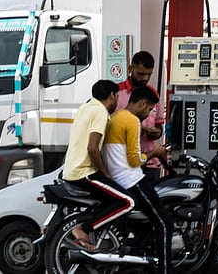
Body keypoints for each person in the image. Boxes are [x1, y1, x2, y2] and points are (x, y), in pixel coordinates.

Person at [105, 84, 172, 274]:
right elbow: (135, 160)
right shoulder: (132, 120)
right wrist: (154, 152)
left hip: (118, 178)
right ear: (142, 103)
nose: (149, 114)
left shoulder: (117, 117)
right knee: (165, 222)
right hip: (132, 179)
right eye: (149, 109)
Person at [63, 79, 135, 249]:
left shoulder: (85, 108)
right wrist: (105, 173)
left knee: (111, 199)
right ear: (111, 95)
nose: (117, 102)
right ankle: (84, 229)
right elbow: (92, 148)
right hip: (84, 173)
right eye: (117, 97)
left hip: (71, 171)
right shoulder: (101, 112)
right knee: (128, 201)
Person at [116, 50, 168, 181]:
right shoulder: (116, 94)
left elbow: (159, 125)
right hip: (125, 163)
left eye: (149, 74)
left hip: (151, 163)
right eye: (141, 74)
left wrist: (155, 132)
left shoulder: (153, 94)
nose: (145, 78)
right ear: (130, 69)